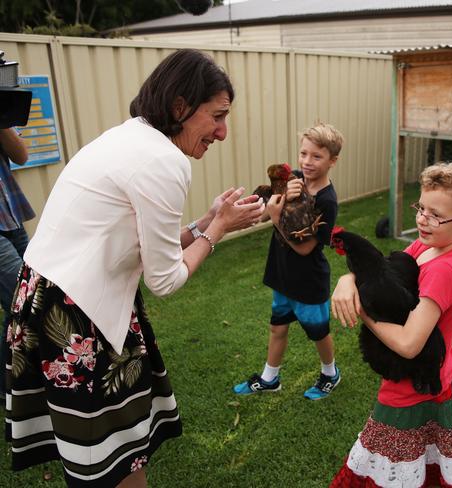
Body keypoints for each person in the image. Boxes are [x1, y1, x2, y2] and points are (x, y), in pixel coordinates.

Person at [3, 49, 265, 488]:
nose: (222, 132)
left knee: (98, 452)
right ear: (180, 106)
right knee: (113, 455)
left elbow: (140, 242)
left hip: (46, 294)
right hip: (76, 313)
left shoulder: (128, 137)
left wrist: (203, 221)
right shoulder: (164, 160)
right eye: (217, 116)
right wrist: (217, 230)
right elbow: (165, 279)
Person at [330, 162, 452, 487]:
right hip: (436, 372)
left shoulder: (446, 269)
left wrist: (363, 310)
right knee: (421, 466)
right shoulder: (427, 246)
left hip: (413, 385)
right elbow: (386, 272)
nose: (422, 219)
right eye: (421, 207)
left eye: (435, 215)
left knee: (389, 469)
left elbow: (409, 343)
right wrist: (349, 278)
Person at [233, 123, 344, 400]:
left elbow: (306, 248)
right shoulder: (293, 179)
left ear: (333, 161)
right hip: (282, 274)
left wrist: (274, 216)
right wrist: (260, 206)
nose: (307, 162)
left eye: (316, 156)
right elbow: (266, 205)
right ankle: (270, 378)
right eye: (303, 153)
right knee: (277, 326)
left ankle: (330, 373)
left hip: (308, 280)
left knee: (317, 332)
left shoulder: (327, 201)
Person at [0, 127, 34, 400]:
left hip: (10, 217)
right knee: (21, 299)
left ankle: (7, 382)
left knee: (32, 293)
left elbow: (21, 155)